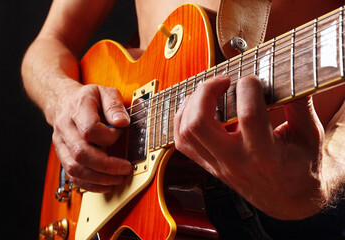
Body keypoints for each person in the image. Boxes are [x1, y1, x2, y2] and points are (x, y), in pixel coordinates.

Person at [21, 0, 345, 238]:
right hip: (141, 204)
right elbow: (49, 43)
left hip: (296, 203)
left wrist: (325, 174)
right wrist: (62, 100)